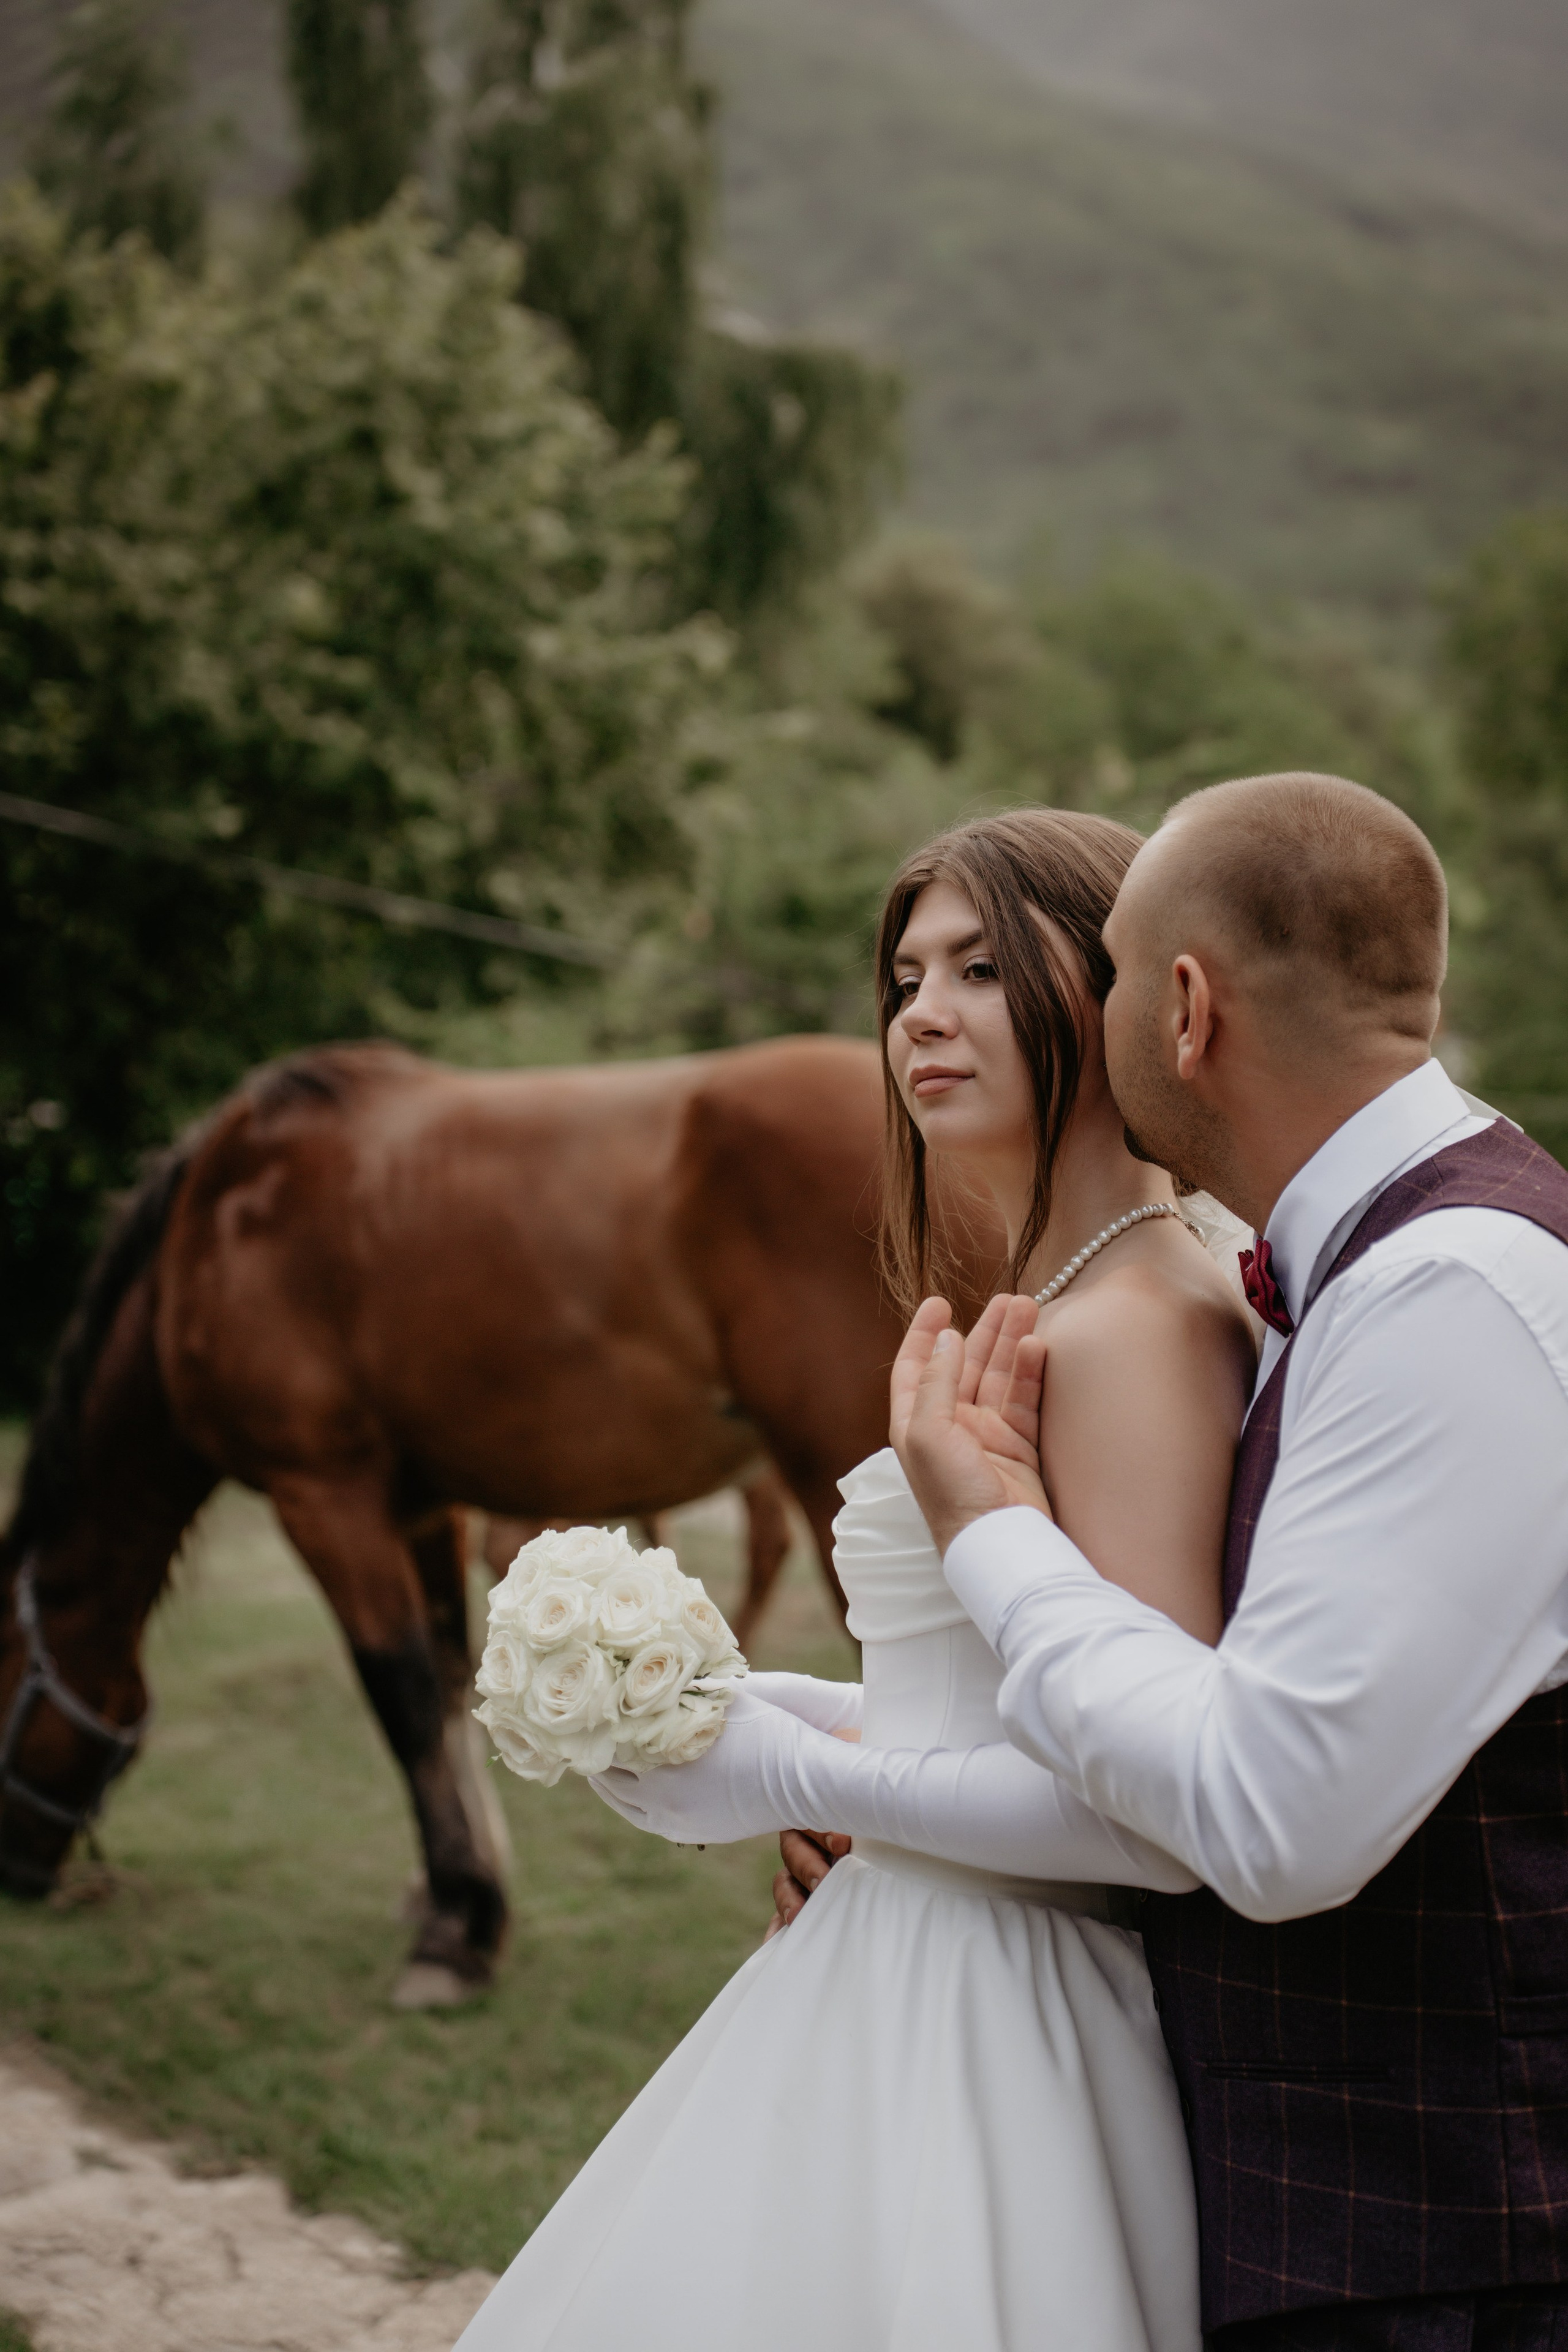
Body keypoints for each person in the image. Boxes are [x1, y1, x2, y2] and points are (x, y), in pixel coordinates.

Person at [453, 807, 1256, 2352]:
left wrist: (799, 1769)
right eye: (901, 980)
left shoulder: (1143, 1325)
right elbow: (997, 1688)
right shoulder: (1056, 1295)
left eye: (971, 967)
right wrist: (743, 1707)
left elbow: (1143, 1814)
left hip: (995, 2020)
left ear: (1097, 988)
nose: (918, 1018)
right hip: (888, 1960)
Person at [892, 772, 1568, 2350]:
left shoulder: (1451, 1292)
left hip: (1449, 2245)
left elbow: (1270, 1816)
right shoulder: (1372, 1276)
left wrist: (992, 1535)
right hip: (1367, 2222)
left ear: (1180, 1009)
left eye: (1111, 973)